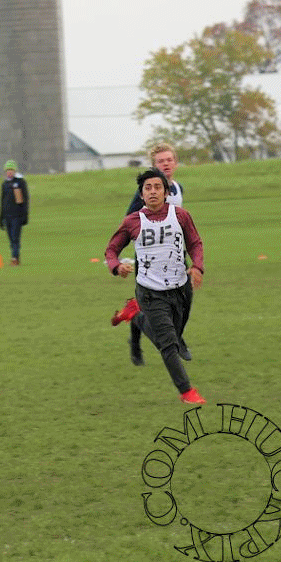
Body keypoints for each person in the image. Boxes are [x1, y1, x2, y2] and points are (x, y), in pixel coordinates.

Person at [104, 168, 206, 405]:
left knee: (172, 338)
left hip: (181, 288)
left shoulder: (181, 216)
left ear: (166, 192)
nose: (152, 192)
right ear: (141, 194)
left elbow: (195, 243)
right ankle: (187, 392)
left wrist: (197, 267)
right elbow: (111, 250)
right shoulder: (132, 221)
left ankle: (136, 316)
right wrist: (116, 266)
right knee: (168, 344)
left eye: (157, 187)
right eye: (147, 188)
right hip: (150, 291)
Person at [112, 143, 192, 363]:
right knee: (152, 303)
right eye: (160, 161)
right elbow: (129, 221)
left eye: (169, 160)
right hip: (149, 257)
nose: (165, 164)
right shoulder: (147, 192)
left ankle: (175, 336)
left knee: (183, 297)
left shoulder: (178, 188)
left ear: (175, 163)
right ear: (154, 166)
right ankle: (138, 339)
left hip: (175, 254)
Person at [0, 160, 29, 264]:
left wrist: (25, 215)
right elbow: (2, 201)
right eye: (7, 170)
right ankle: (14, 257)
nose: (9, 172)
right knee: (11, 239)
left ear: (15, 171)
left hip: (17, 216)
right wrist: (1, 217)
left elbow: (24, 200)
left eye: (11, 170)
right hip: (7, 216)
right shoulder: (5, 184)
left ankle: (15, 258)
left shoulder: (20, 182)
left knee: (15, 238)